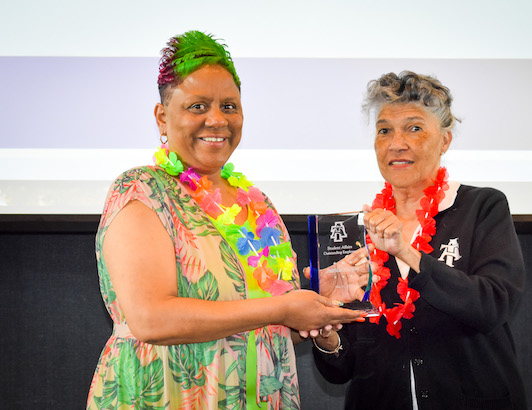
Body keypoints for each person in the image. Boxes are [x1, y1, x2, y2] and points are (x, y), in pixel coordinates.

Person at [86, 30, 368, 409]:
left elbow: (267, 328)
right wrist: (284, 308)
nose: (217, 119)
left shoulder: (257, 204)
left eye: (229, 106)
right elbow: (151, 319)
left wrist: (318, 301)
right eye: (198, 106)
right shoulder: (142, 191)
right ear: (162, 117)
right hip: (170, 395)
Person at [310, 71, 528, 409]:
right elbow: (342, 370)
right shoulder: (359, 231)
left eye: (414, 128)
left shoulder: (481, 207)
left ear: (445, 141)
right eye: (384, 130)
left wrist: (408, 254)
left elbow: (493, 305)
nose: (397, 143)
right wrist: (327, 329)